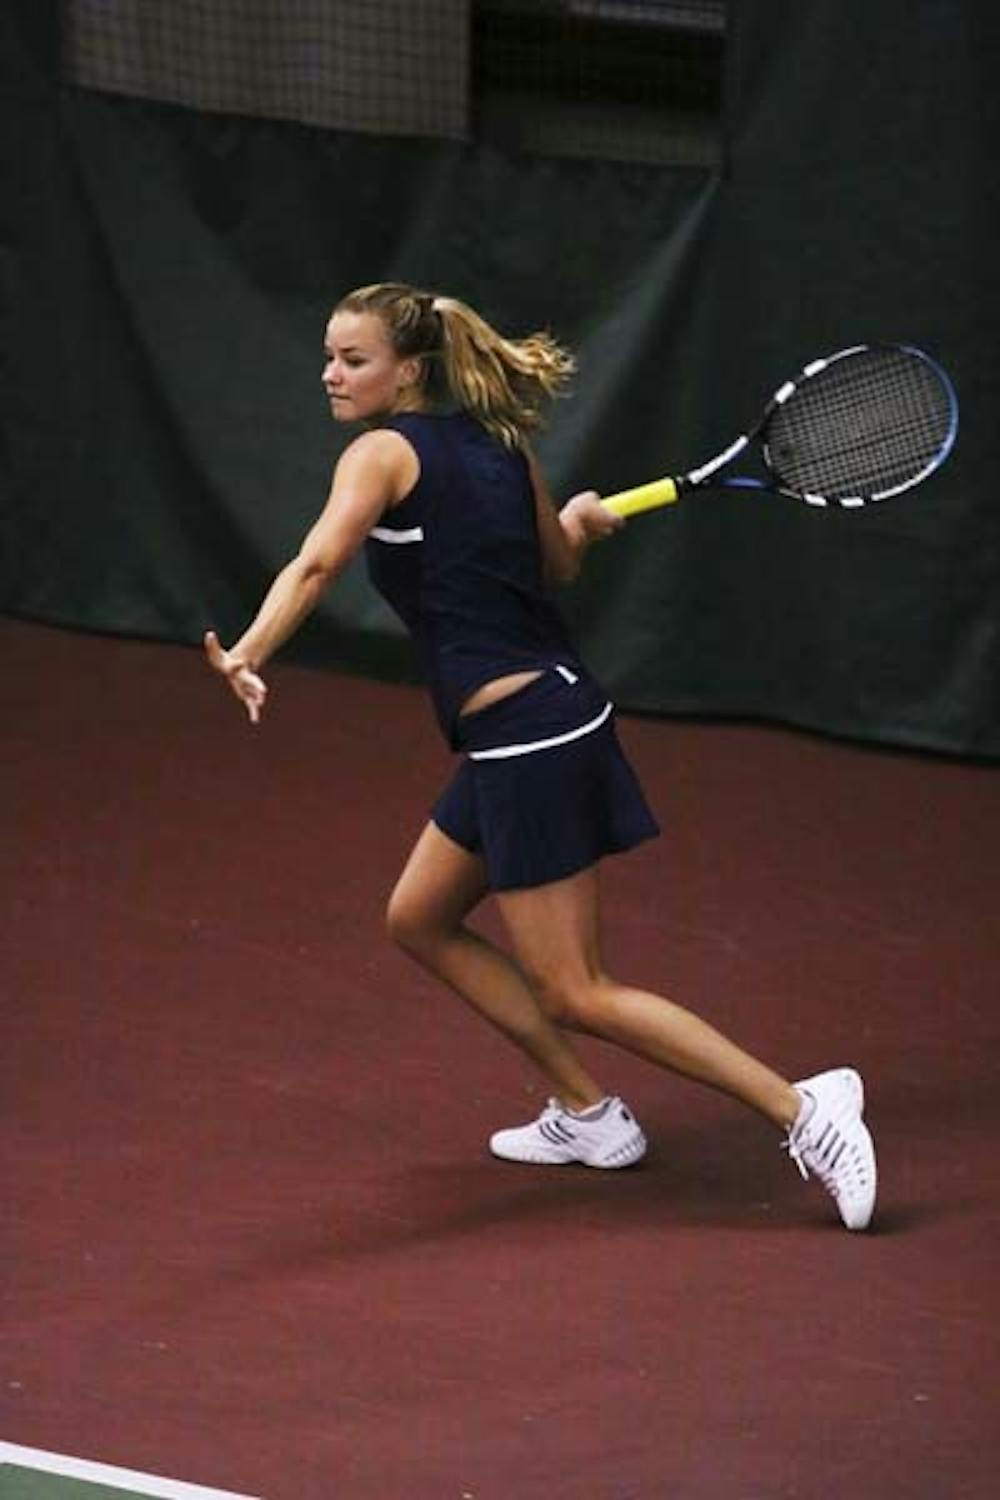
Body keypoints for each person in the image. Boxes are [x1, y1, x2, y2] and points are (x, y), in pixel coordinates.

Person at [204, 281, 877, 1230]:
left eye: (353, 360)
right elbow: (552, 565)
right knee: (419, 918)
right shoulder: (500, 446)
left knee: (577, 989)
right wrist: (581, 524)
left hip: (531, 736)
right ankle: (589, 1114)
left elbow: (317, 563)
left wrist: (249, 652)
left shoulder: (380, 454)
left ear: (411, 371)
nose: (332, 375)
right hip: (533, 720)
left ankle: (805, 1112)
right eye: (329, 357)